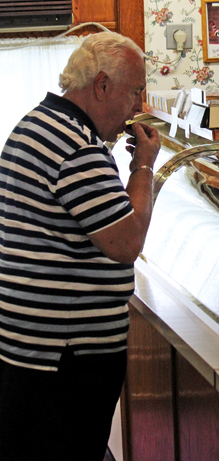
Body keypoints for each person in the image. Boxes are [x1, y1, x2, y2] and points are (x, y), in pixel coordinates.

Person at [0, 32, 161, 461]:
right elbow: (127, 242)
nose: (138, 107)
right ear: (103, 85)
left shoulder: (37, 123)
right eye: (135, 91)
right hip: (62, 357)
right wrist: (143, 166)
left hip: (35, 350)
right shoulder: (76, 146)